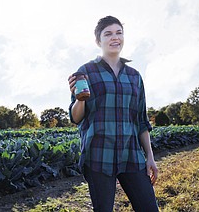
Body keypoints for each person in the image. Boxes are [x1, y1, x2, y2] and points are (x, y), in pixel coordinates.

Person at [68, 16, 159, 212]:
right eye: (108, 34)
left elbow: (141, 121)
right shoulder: (85, 72)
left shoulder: (134, 76)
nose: (114, 38)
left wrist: (150, 157)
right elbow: (76, 118)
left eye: (119, 33)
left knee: (149, 208)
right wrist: (79, 99)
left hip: (131, 154)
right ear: (98, 41)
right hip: (99, 154)